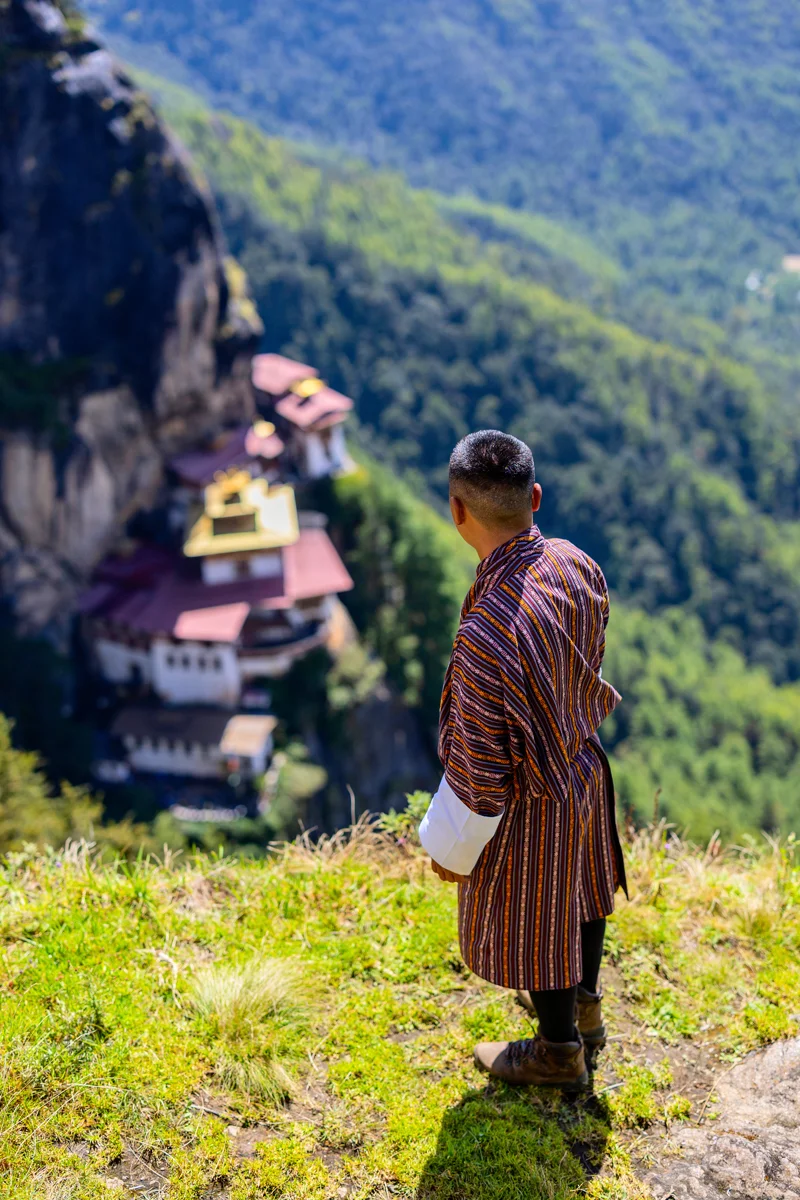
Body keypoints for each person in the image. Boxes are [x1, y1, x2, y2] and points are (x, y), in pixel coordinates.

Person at [419, 429, 626, 1090]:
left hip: (531, 800)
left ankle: (557, 1051)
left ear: (458, 512)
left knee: (539, 918)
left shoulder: (485, 634)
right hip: (584, 766)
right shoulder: (575, 563)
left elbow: (482, 772)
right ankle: (584, 1011)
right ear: (534, 497)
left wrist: (453, 849)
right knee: (584, 892)